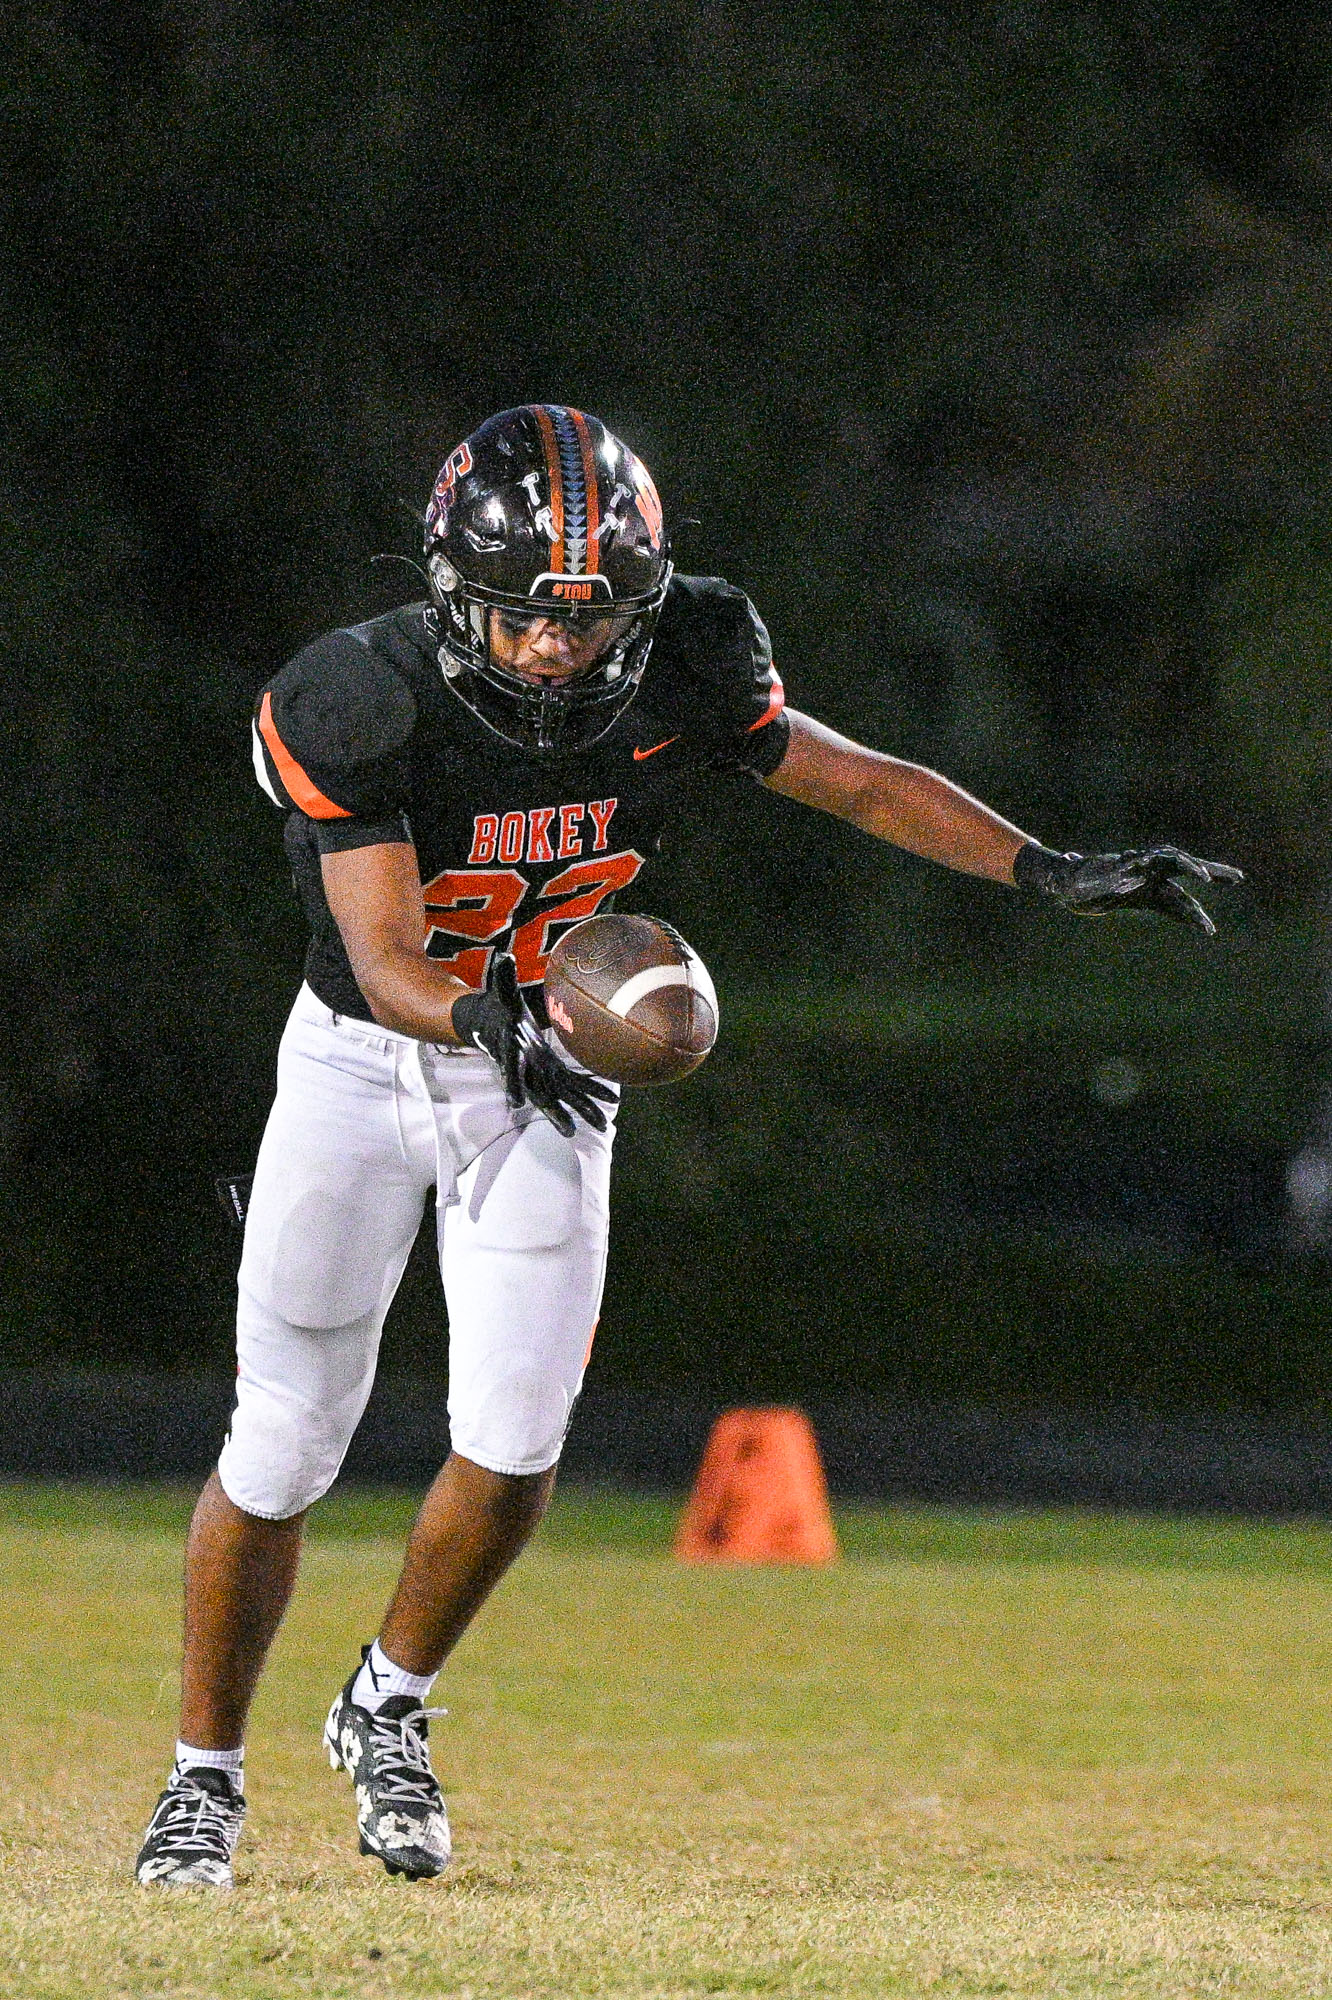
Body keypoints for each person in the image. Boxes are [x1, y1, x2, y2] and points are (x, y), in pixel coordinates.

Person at [134, 404, 1240, 1889]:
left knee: (517, 1443)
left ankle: (387, 1701)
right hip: (366, 1059)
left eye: (588, 620)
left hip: (544, 1074)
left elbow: (855, 777)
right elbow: (389, 959)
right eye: (524, 616)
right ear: (454, 592)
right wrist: (503, 1022)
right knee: (283, 1438)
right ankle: (203, 1778)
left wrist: (1046, 868)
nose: (554, 649)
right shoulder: (360, 695)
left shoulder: (690, 657)